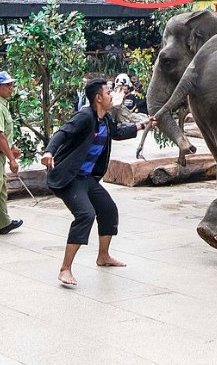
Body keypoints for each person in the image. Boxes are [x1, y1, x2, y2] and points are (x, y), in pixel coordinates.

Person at [40, 78, 156, 286]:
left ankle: (103, 256)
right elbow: (63, 133)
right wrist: (49, 151)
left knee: (108, 210)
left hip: (87, 178)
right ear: (98, 98)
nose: (112, 95)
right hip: (69, 178)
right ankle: (65, 269)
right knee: (85, 214)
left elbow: (118, 133)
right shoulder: (85, 117)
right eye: (108, 92)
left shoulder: (105, 119)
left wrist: (142, 125)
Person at [0, 72, 23, 235]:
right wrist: (11, 159)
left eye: (11, 85)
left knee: (1, 189)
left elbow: (5, 135)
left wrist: (12, 148)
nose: (11, 88)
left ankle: (3, 223)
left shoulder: (3, 105)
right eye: (7, 85)